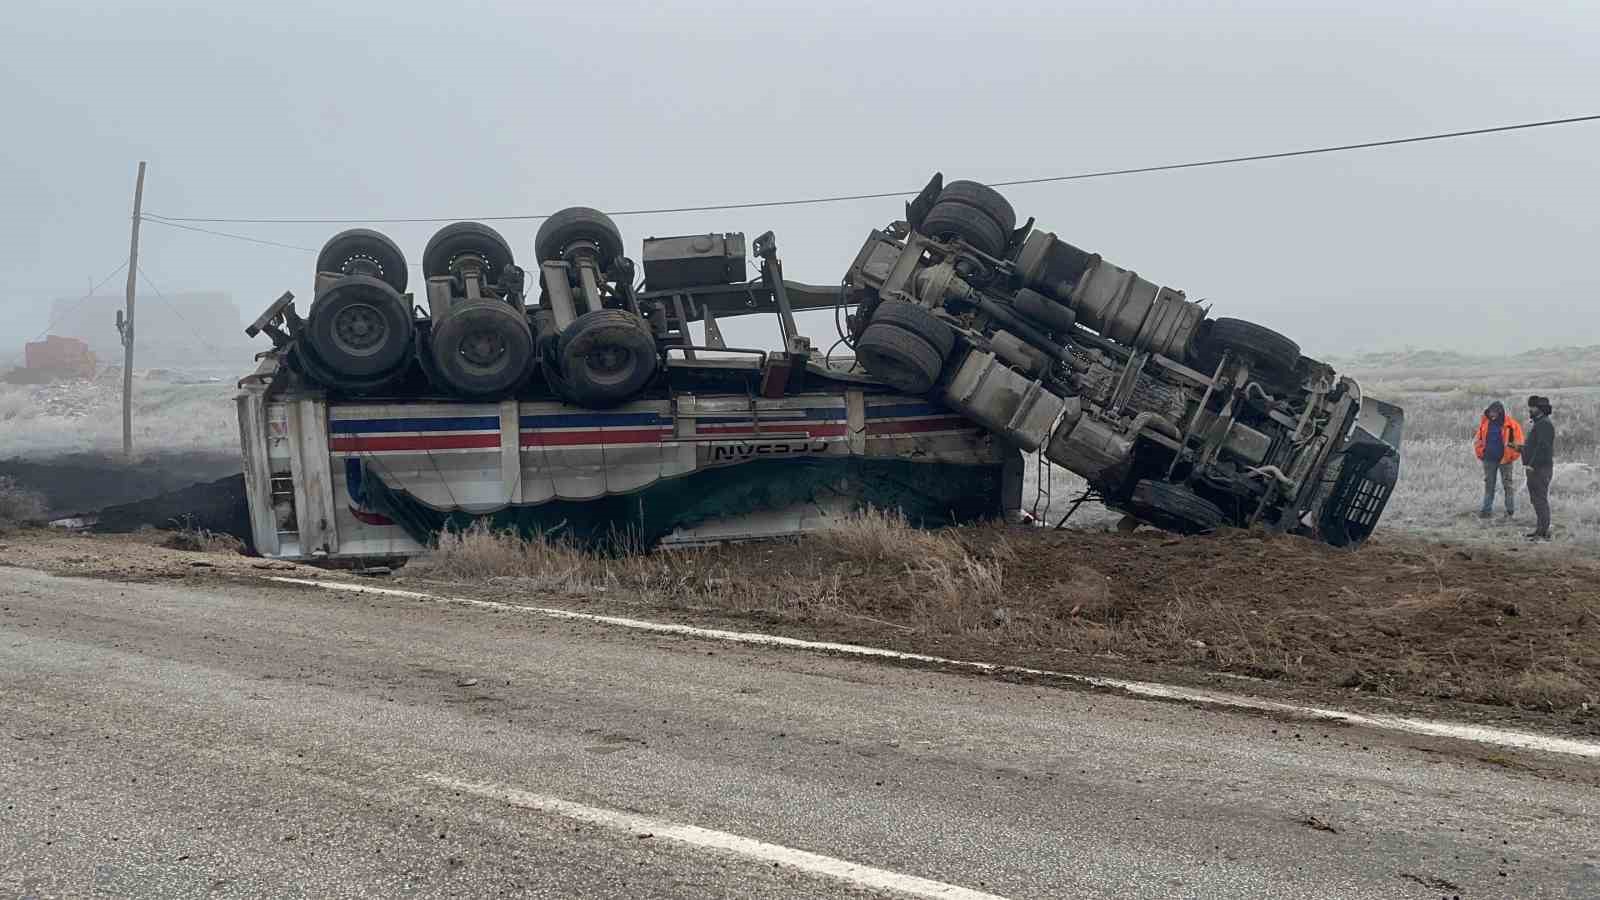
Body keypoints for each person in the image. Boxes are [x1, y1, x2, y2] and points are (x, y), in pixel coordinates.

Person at [1511, 395, 1556, 541]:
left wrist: (1531, 464)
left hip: (1539, 469)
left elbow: (1543, 448)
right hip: (1537, 468)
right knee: (1537, 500)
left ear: (1540, 409)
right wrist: (1519, 447)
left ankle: (1543, 532)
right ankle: (1540, 531)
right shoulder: (1540, 423)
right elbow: (1534, 447)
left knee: (1540, 500)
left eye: (1532, 407)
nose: (1529, 409)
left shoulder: (1544, 424)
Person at [1473, 401, 1523, 519]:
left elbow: (1518, 442)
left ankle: (1510, 511)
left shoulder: (1511, 424)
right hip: (1489, 460)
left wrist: (1511, 456)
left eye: (1495, 412)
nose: (1492, 415)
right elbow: (1478, 440)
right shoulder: (1485, 423)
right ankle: (1486, 511)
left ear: (1500, 412)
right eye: (1490, 412)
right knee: (1489, 485)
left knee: (1508, 485)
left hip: (1505, 460)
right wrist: (1481, 453)